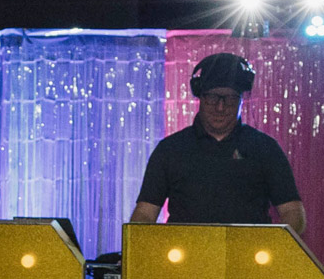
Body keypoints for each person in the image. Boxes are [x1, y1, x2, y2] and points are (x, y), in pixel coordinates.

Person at [129, 51, 308, 242]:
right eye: (213, 98)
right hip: (184, 261)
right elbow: (146, 213)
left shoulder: (265, 148)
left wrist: (275, 248)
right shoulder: (170, 150)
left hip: (248, 261)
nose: (220, 107)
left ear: (241, 100)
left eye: (230, 99)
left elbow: (292, 211)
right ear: (200, 97)